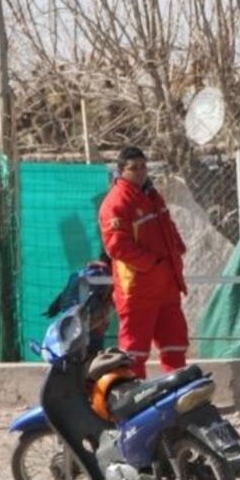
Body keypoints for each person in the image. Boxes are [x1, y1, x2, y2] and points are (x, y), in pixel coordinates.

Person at [98, 146, 189, 379]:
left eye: (143, 167)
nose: (140, 172)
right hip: (138, 290)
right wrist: (153, 264)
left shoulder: (151, 195)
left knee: (175, 344)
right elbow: (117, 246)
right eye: (133, 168)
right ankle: (134, 397)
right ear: (121, 171)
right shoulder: (116, 202)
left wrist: (178, 248)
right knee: (135, 350)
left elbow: (167, 226)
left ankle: (179, 393)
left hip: (167, 285)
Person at [44, 253, 113, 354]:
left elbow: (64, 294)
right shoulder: (101, 274)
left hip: (69, 317)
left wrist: (54, 307)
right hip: (86, 321)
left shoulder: (83, 272)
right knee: (91, 349)